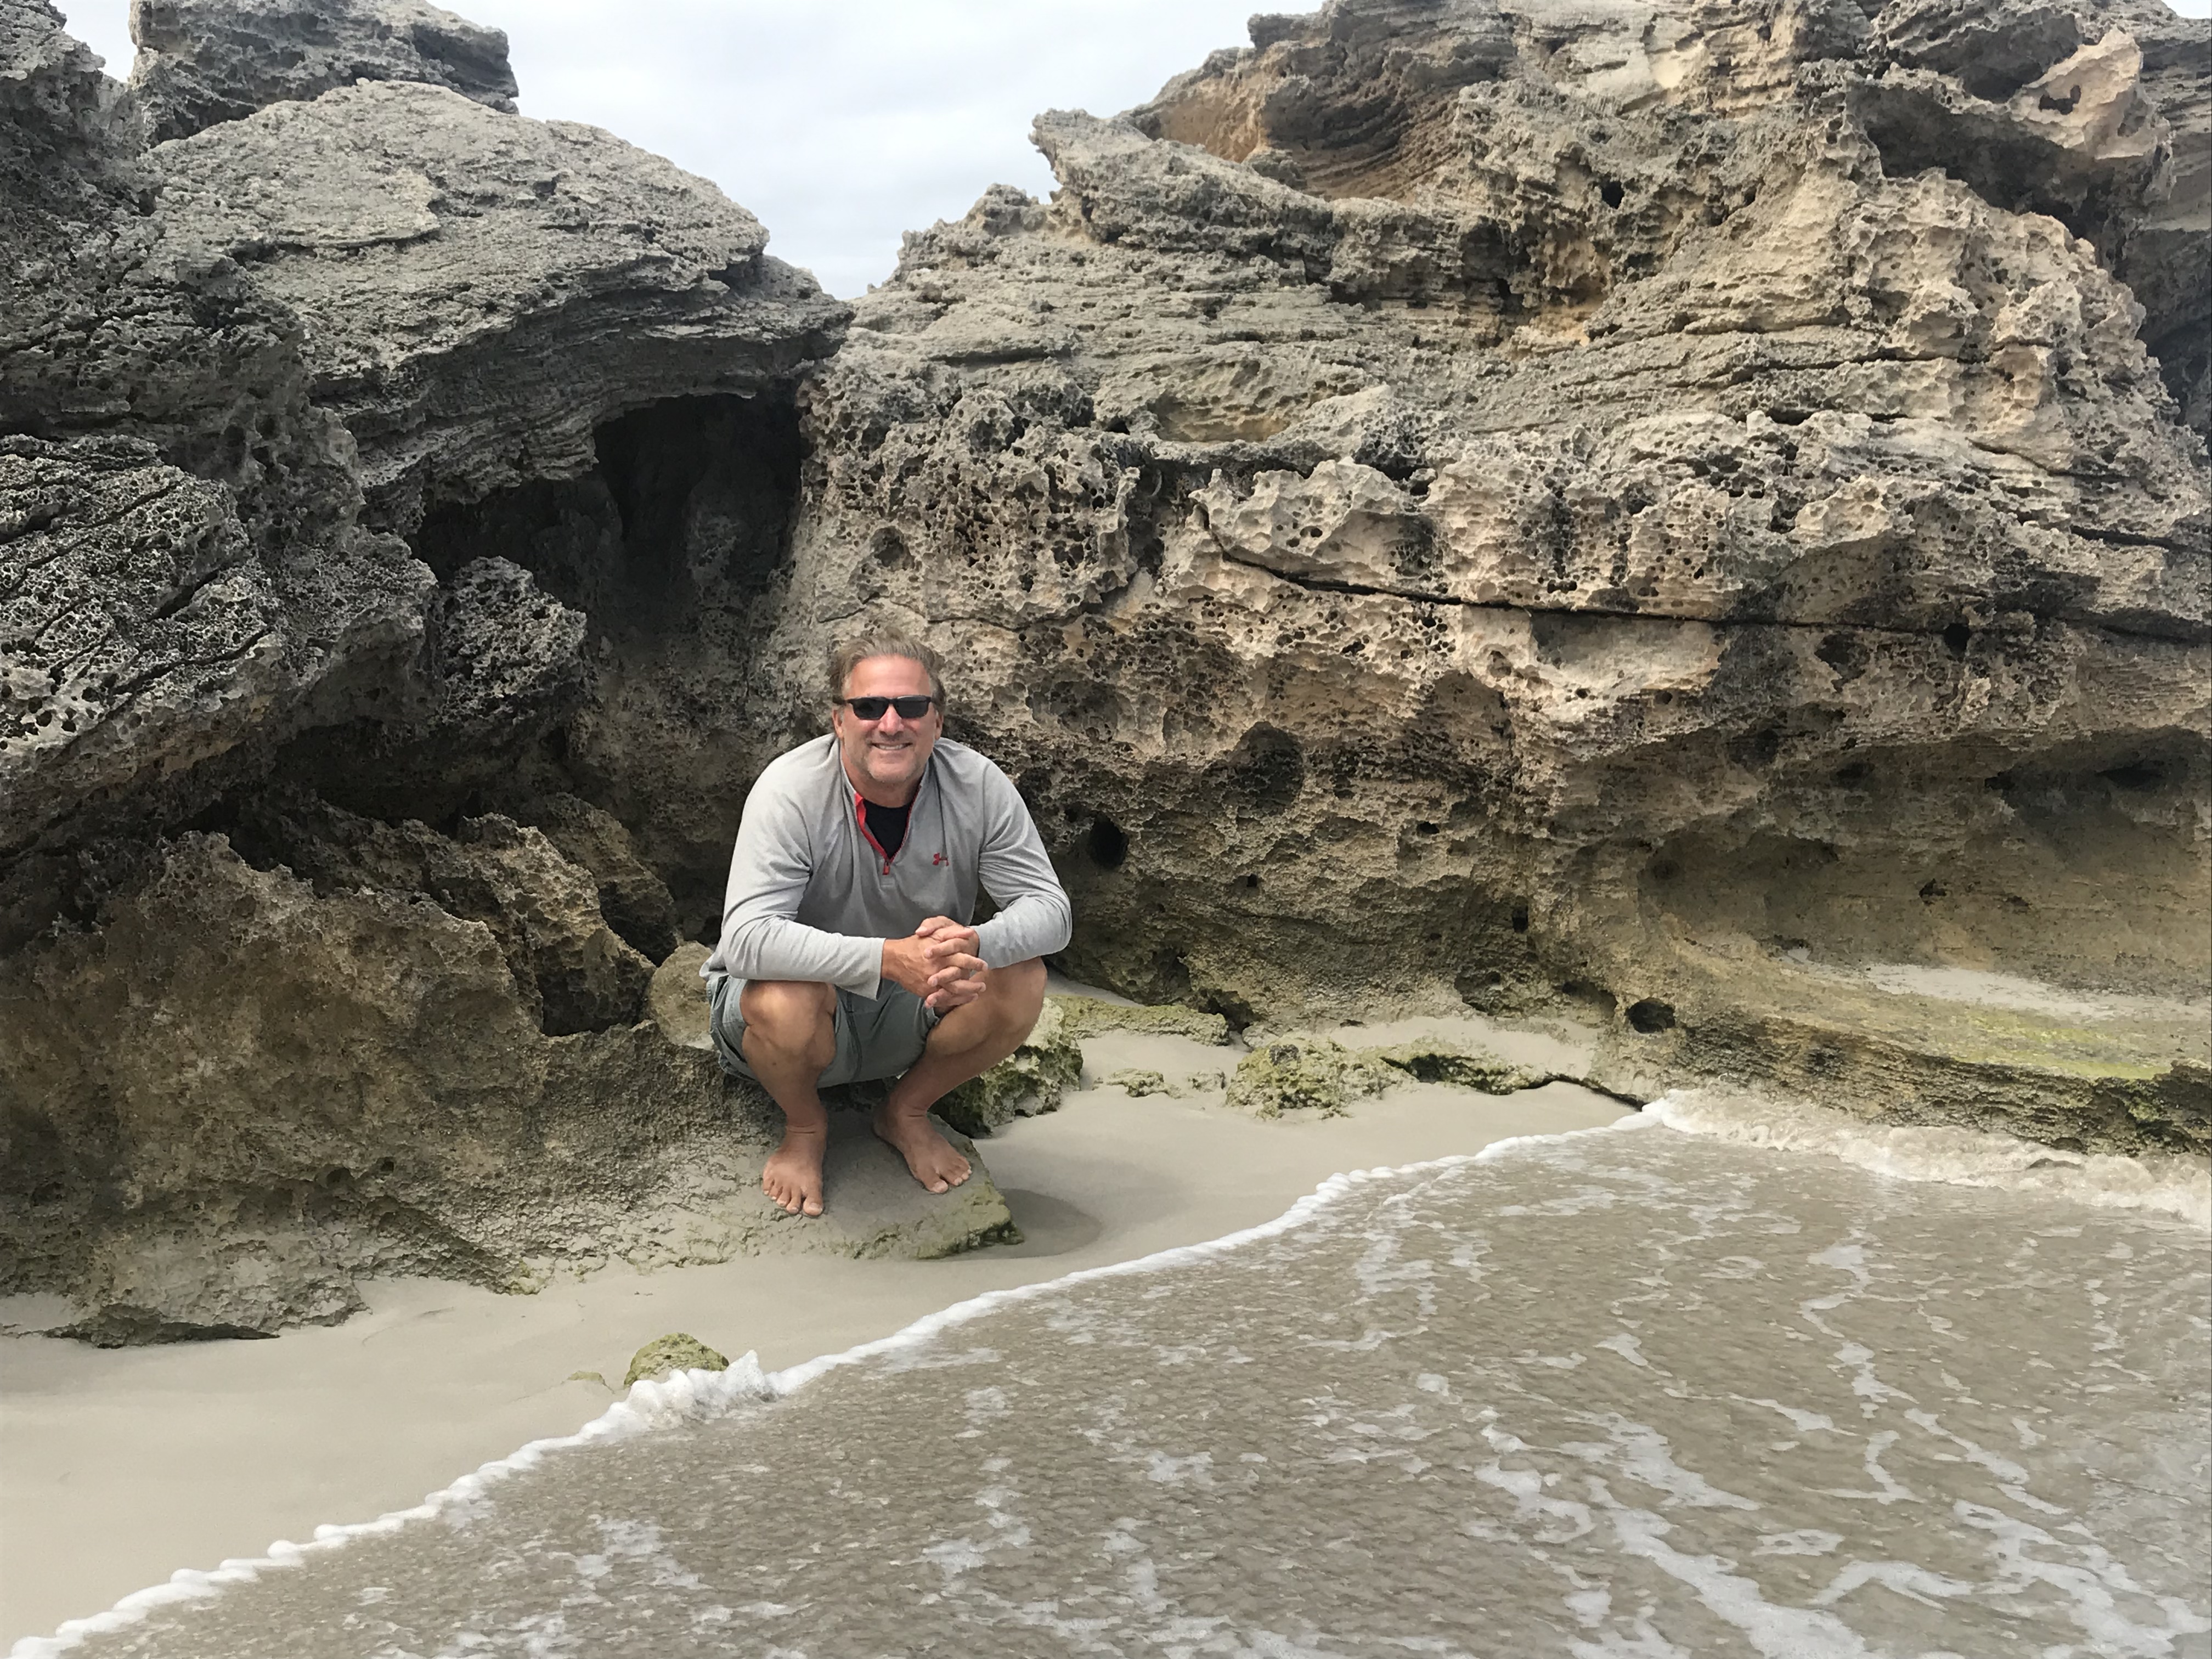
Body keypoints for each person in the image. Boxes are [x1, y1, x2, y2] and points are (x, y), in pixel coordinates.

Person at [702, 628, 1073, 1217]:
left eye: (912, 706)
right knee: (783, 997)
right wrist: (886, 958)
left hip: (910, 1007)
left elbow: (1052, 912)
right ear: (839, 720)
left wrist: (973, 941)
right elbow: (745, 941)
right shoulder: (789, 790)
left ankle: (905, 1110)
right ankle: (805, 1128)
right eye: (869, 707)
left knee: (1021, 975)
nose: (891, 724)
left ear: (938, 720)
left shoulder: (978, 784)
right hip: (793, 1018)